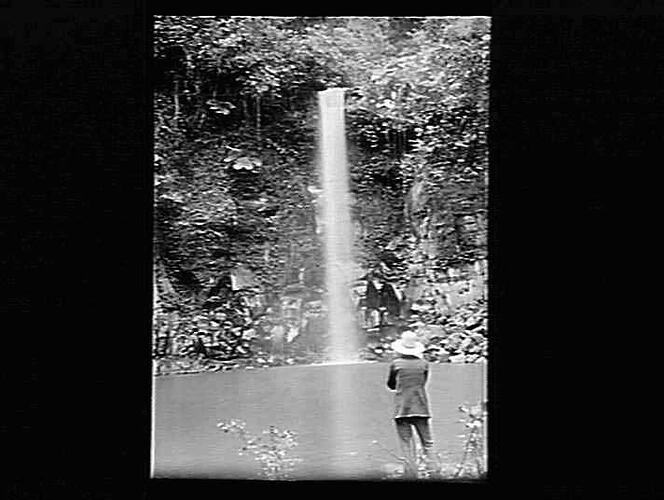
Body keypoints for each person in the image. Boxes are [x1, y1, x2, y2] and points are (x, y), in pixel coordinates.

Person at [387, 331, 436, 478]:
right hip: (421, 407)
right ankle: (434, 472)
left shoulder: (396, 364)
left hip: (402, 409)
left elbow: (391, 385)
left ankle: (410, 474)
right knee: (428, 443)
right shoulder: (424, 364)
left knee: (406, 443)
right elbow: (423, 383)